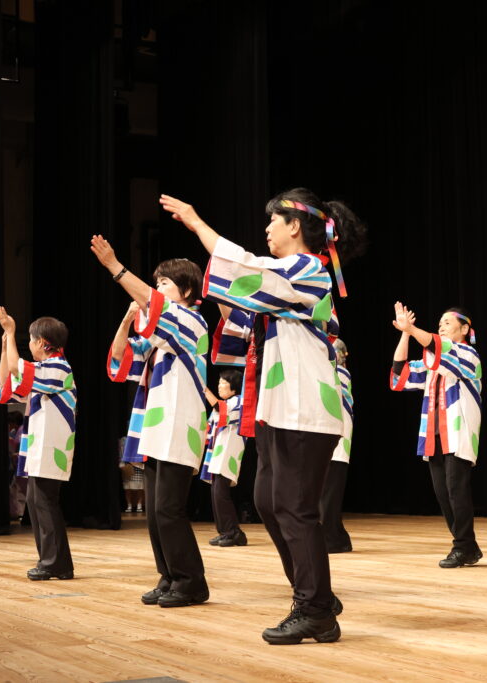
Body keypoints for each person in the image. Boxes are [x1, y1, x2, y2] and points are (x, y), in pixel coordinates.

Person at [160, 187, 367, 644]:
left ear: (295, 225)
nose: (267, 228)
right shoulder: (284, 283)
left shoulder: (309, 269)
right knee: (271, 502)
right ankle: (316, 595)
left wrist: (197, 223)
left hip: (304, 407)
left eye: (274, 220)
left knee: (294, 508)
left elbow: (248, 272)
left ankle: (315, 608)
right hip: (281, 407)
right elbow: (243, 303)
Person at [94, 234, 210, 609]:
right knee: (155, 513)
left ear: (187, 290)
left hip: (179, 424)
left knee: (169, 509)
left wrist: (115, 266)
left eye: (165, 283)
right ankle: (169, 576)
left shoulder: (192, 322)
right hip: (157, 427)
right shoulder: (160, 340)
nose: (157, 288)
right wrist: (128, 320)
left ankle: (191, 582)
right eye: (156, 282)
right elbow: (120, 360)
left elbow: (153, 304)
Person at [390, 302, 483, 569]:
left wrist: (412, 329)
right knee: (443, 494)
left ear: (464, 329)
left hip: (458, 431)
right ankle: (468, 546)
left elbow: (438, 348)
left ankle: (462, 547)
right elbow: (400, 374)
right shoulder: (433, 364)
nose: (441, 326)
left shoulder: (468, 355)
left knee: (456, 491)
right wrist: (405, 334)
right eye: (440, 323)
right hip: (434, 435)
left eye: (448, 322)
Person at [0, 310, 78, 581]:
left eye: (30, 340)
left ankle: (55, 563)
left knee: (45, 502)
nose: (29, 345)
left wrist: (10, 333)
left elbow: (17, 368)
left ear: (41, 342)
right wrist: (5, 347)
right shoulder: (43, 370)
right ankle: (53, 561)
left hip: (52, 445)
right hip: (41, 444)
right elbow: (7, 385)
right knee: (36, 501)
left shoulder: (58, 367)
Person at [200, 368, 247, 547]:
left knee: (221, 492)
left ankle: (234, 532)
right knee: (216, 492)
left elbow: (221, 410)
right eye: (219, 382)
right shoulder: (226, 403)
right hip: (219, 451)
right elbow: (209, 426)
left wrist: (205, 391)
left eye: (223, 383)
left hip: (230, 450)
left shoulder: (238, 400)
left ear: (233, 386)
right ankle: (225, 531)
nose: (219, 386)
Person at [320, 339, 353, 554]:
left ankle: (334, 539)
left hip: (337, 438)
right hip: (328, 435)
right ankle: (337, 537)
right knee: (325, 493)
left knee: (328, 494)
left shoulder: (340, 373)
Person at [6, 411, 28, 521]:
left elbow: (20, 449)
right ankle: (18, 512)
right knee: (17, 488)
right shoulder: (18, 431)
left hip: (21, 464)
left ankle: (21, 513)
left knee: (20, 489)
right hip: (19, 464)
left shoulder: (21, 430)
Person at [119, 436, 145, 513]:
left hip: (139, 464)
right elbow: (121, 452)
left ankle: (139, 505)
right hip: (127, 465)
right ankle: (129, 505)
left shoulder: (141, 438)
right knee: (127, 488)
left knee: (140, 487)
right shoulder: (123, 440)